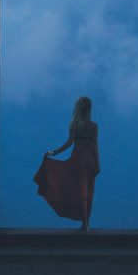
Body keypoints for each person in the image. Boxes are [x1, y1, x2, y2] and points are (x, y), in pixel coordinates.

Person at [33, 96, 100, 231]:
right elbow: (95, 146)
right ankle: (86, 223)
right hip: (90, 160)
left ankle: (85, 224)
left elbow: (69, 143)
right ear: (89, 109)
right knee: (89, 191)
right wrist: (98, 164)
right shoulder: (94, 126)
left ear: (78, 109)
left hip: (78, 159)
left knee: (80, 190)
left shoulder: (75, 125)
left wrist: (54, 153)